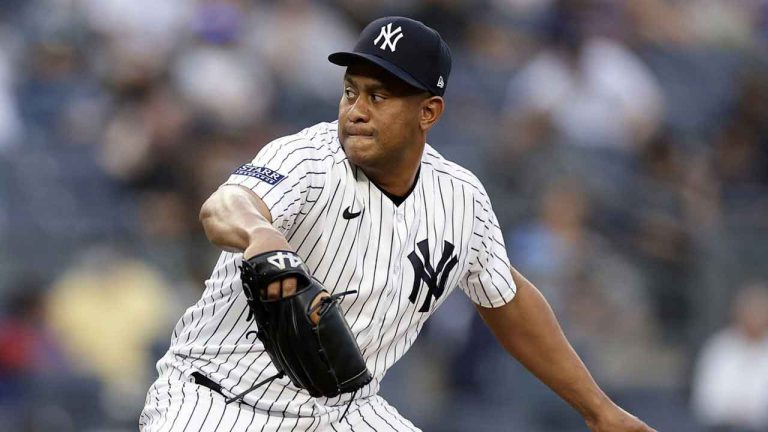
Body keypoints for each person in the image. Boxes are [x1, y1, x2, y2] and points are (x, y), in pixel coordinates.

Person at [140, 16, 655, 431]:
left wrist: (598, 410)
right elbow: (225, 204)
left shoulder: (460, 198)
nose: (356, 110)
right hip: (218, 400)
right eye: (351, 91)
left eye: (379, 96)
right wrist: (261, 233)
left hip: (343, 412)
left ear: (428, 112)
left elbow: (508, 300)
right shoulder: (308, 158)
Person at [691, 282, 768, 431]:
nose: (755, 317)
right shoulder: (719, 348)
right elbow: (705, 401)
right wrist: (735, 413)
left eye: (760, 311)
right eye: (750, 311)